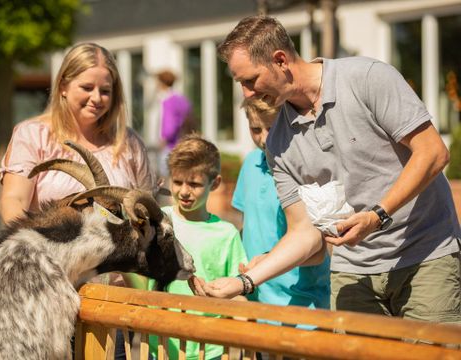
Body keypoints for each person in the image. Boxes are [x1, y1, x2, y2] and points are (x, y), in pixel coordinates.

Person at [191, 15, 461, 324]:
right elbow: (304, 232)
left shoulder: (368, 77)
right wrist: (245, 281)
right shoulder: (277, 142)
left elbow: (433, 153)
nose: (247, 94)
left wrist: (377, 215)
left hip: (425, 256)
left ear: (280, 60)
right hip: (352, 272)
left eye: (250, 80)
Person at [0, 42, 156, 358]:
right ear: (63, 85)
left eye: (105, 90)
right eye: (87, 87)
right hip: (45, 298)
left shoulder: (128, 144)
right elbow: (14, 211)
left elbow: (146, 221)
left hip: (109, 297)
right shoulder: (32, 134)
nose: (97, 98)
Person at [147, 133, 248, 360]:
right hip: (160, 345)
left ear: (216, 184)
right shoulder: (158, 221)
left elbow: (238, 290)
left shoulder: (227, 234)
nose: (184, 191)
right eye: (178, 181)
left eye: (194, 184)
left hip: (209, 349)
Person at [232, 98, 330, 315]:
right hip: (256, 300)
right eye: (255, 129)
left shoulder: (306, 170)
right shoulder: (250, 164)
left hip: (302, 304)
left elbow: (319, 249)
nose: (264, 138)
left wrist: (268, 259)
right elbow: (248, 228)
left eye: (271, 127)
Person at [155, 69, 193, 179]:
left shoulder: (167, 100)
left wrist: (164, 139)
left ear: (161, 83)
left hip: (170, 146)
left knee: (168, 182)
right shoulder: (182, 99)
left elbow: (169, 124)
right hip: (183, 143)